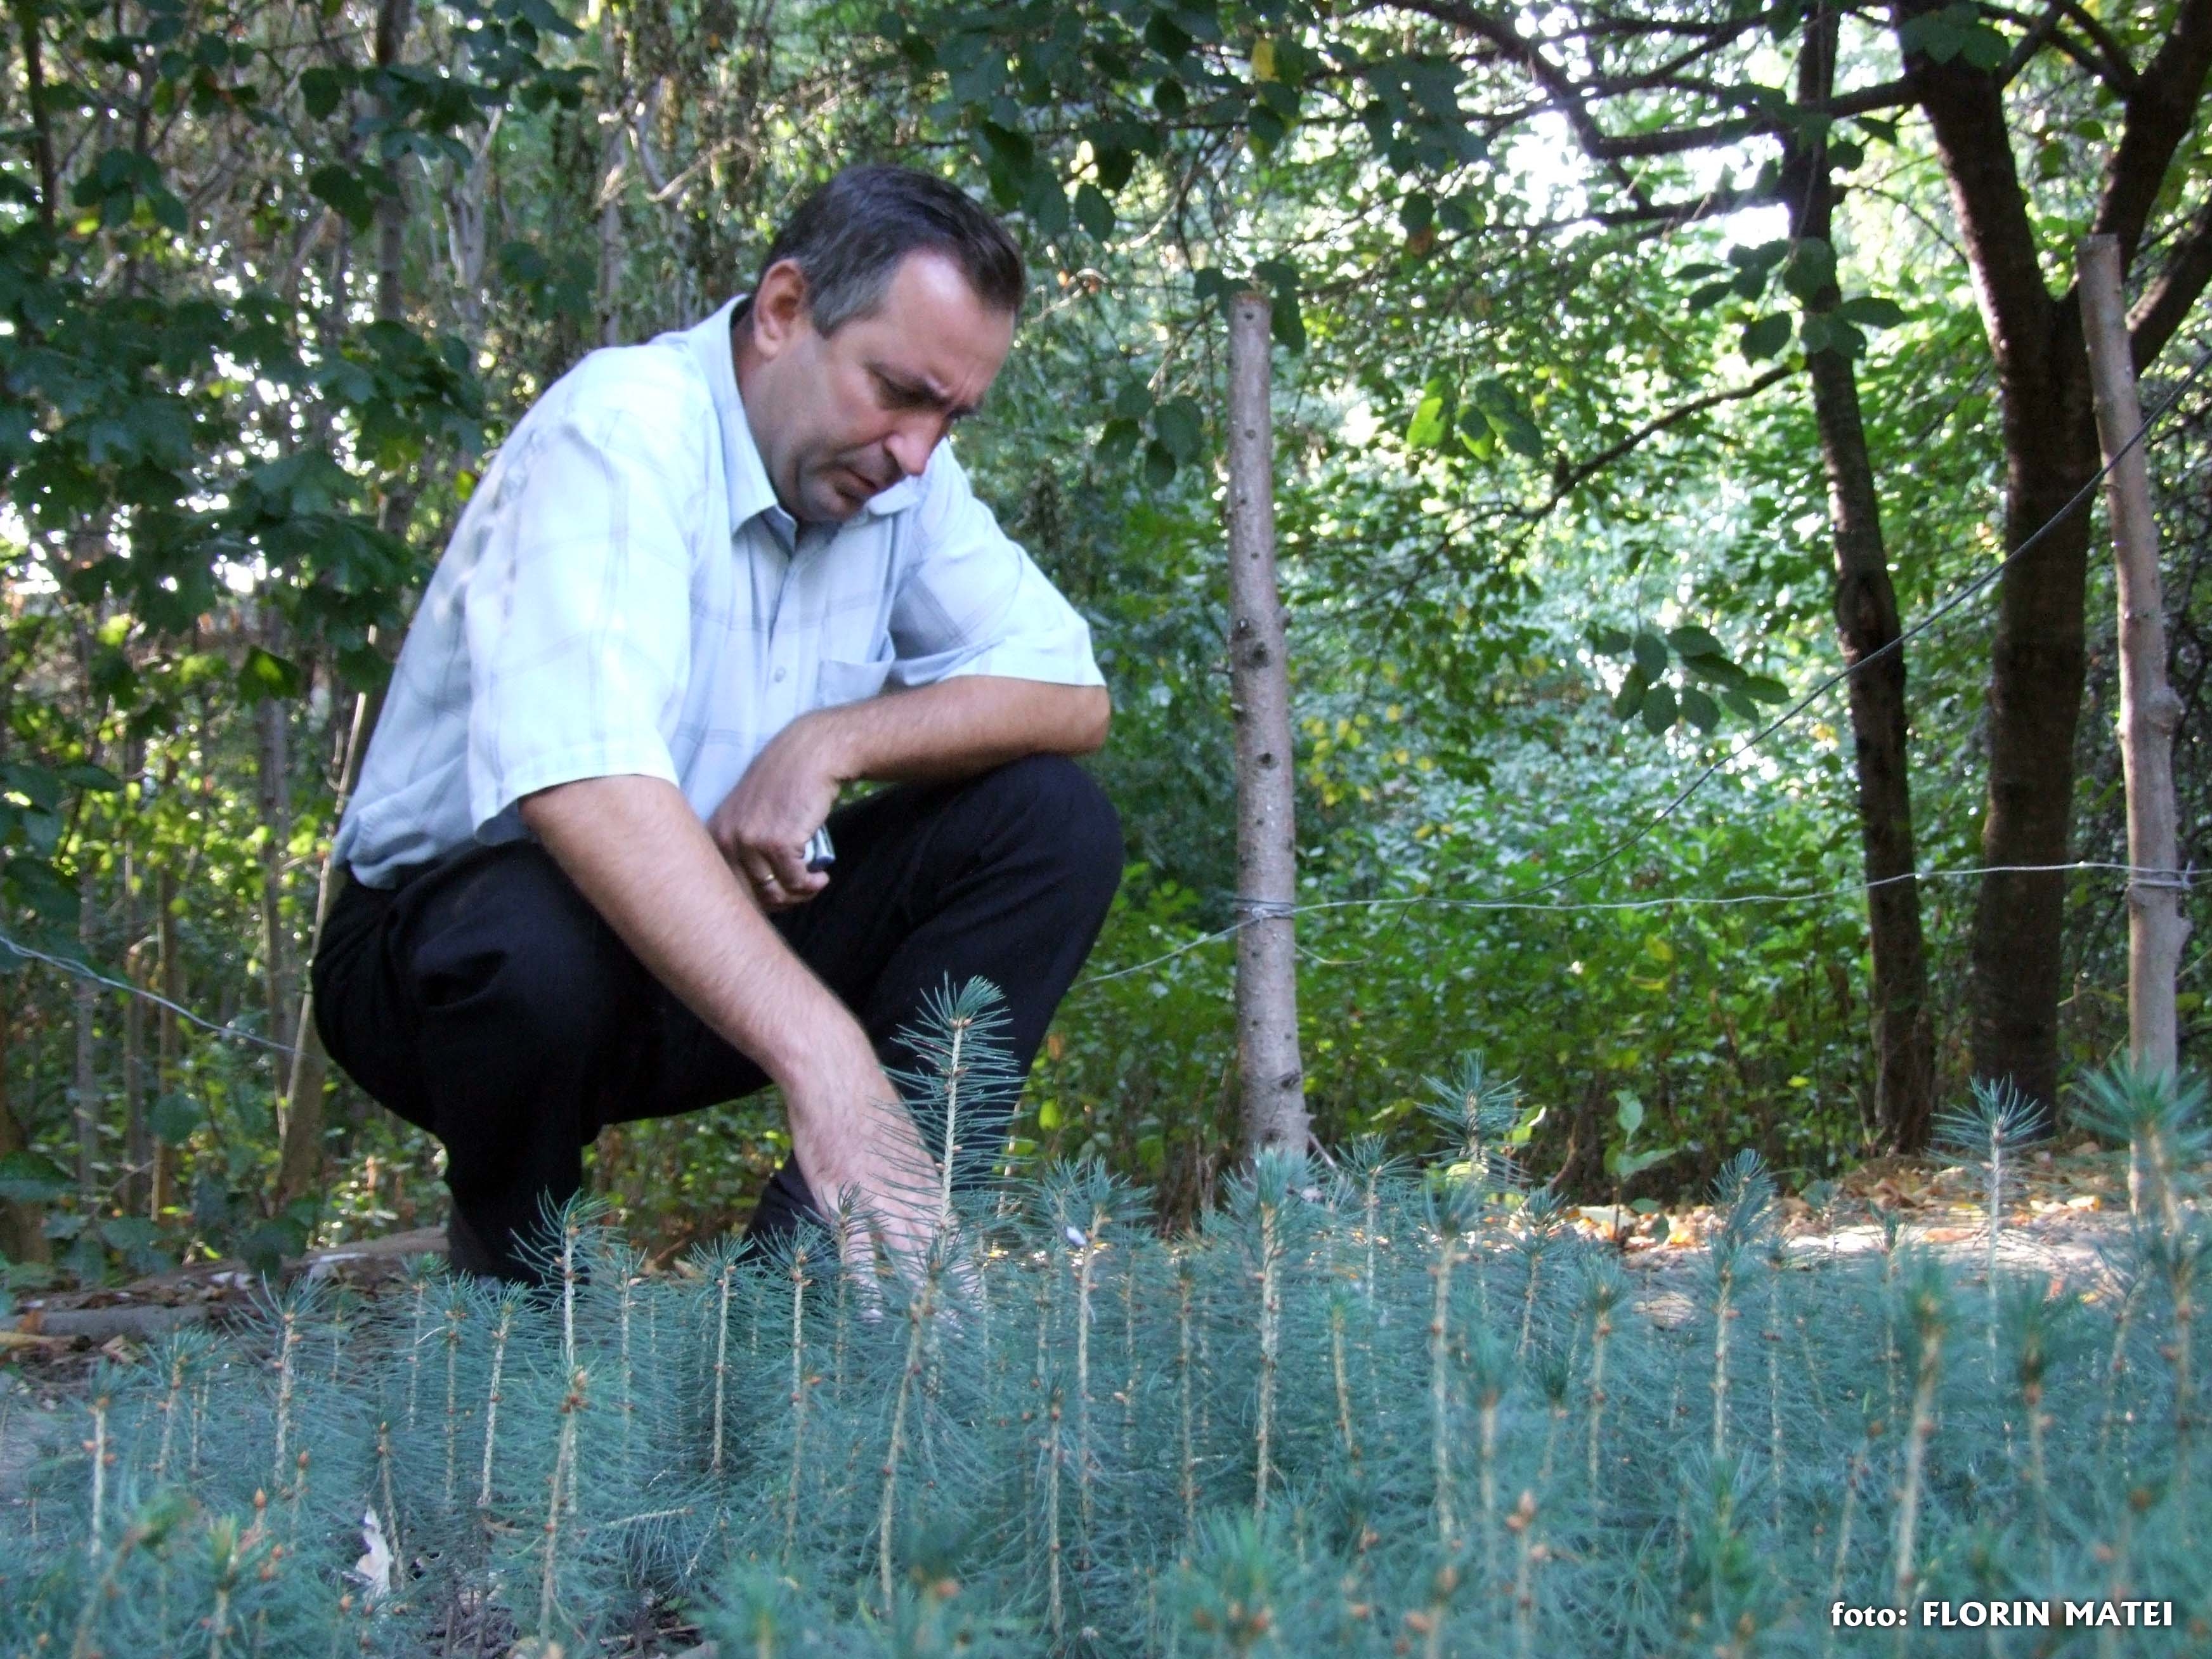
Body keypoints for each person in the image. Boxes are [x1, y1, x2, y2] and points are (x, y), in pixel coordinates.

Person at [309, 166, 1121, 1284]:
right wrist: (832, 1068)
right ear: (784, 311)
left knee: (1050, 823)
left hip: (707, 954)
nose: (917, 452)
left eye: (951, 415)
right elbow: (581, 786)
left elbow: (1072, 694)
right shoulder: (624, 426)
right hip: (449, 973)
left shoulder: (905, 485)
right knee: (526, 935)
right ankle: (515, 1294)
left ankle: (818, 1294)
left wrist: (828, 742)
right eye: (898, 391)